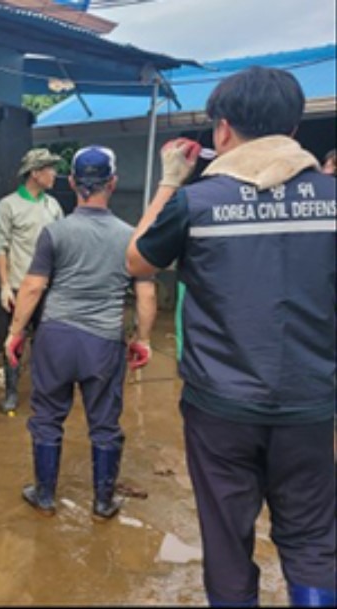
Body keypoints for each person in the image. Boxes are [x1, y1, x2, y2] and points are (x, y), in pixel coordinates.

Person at [126, 67, 335, 607]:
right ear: (293, 127)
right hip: (310, 403)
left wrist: (170, 180)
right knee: (313, 538)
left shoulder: (196, 203)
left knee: (226, 541)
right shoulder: (332, 200)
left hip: (220, 407)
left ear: (222, 130)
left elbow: (137, 260)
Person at [4, 145, 156, 520]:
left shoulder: (54, 233)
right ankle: (103, 502)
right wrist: (143, 340)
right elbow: (146, 294)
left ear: (72, 183)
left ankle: (44, 495)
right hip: (103, 342)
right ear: (113, 183)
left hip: (56, 337)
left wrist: (15, 332)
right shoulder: (131, 237)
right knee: (104, 422)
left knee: (47, 417)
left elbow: (33, 287)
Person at [0, 148, 64, 414]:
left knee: (47, 342)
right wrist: (4, 285)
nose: (54, 174)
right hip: (18, 287)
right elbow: (0, 246)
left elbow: (61, 245)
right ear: (35, 173)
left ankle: (45, 390)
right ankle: (11, 392)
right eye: (49, 169)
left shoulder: (53, 206)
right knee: (14, 339)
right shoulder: (8, 206)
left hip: (47, 288)